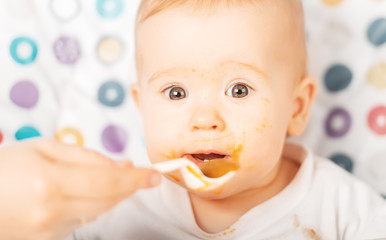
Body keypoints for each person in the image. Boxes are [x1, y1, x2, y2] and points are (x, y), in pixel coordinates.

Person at [1, 0, 385, 239]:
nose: (204, 120)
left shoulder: (340, 207)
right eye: (175, 93)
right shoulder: (116, 210)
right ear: (141, 106)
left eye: (238, 90)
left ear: (297, 108)